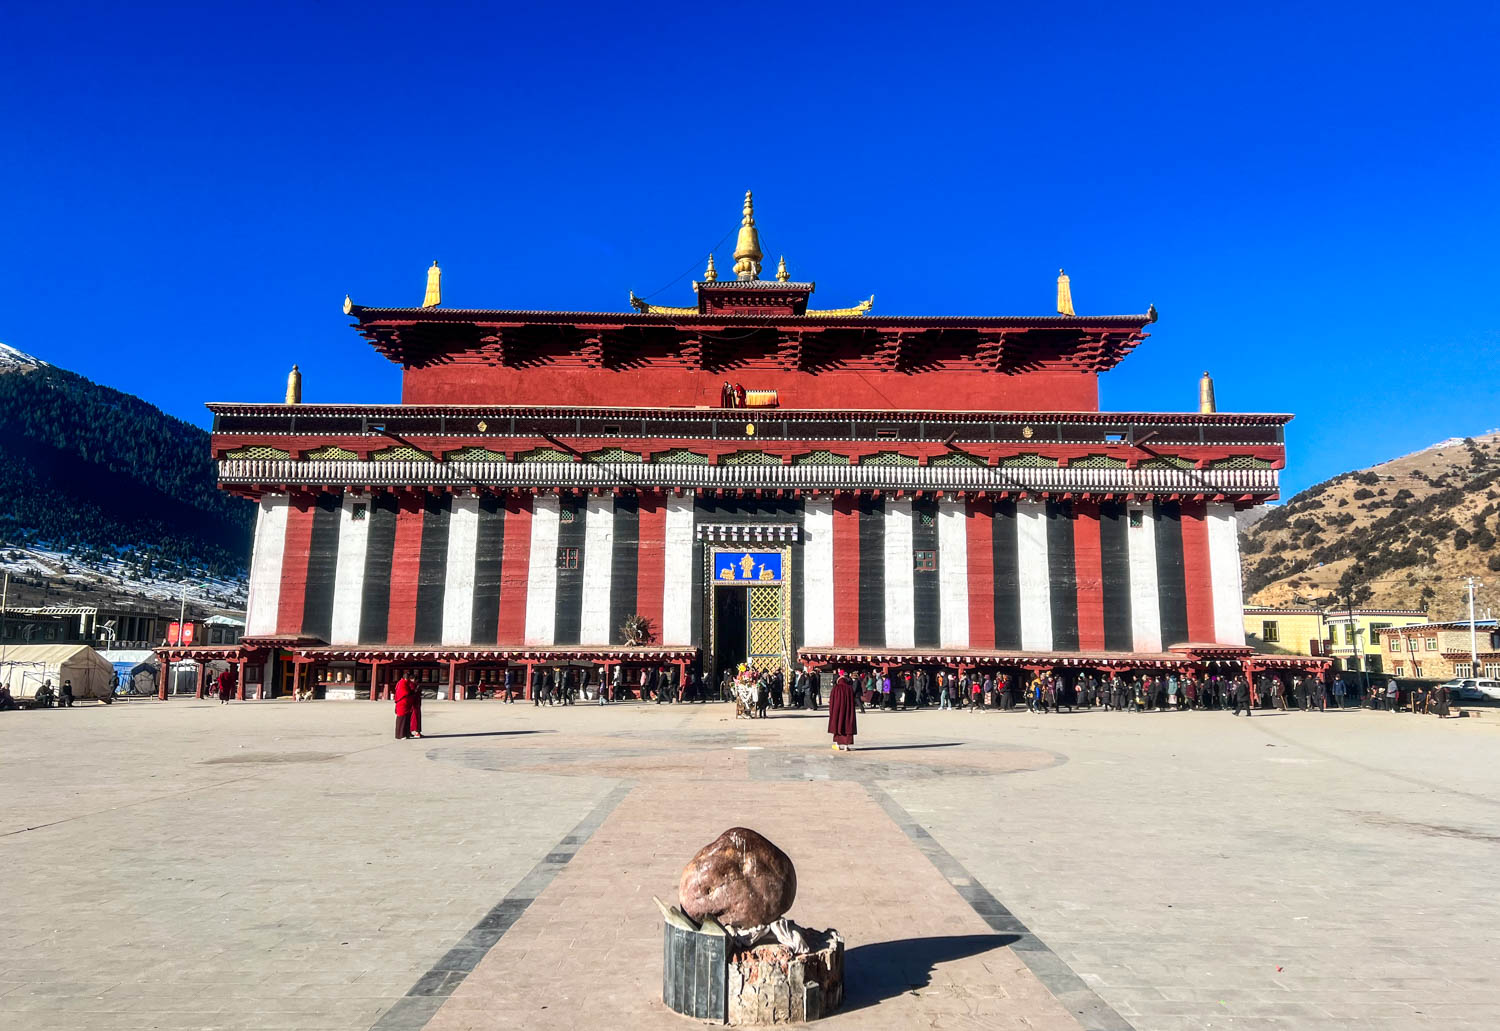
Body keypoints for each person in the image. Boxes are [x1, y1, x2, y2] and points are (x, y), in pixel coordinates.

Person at [827, 672, 858, 751]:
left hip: (837, 711)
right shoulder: (849, 688)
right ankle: (846, 746)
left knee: (837, 725)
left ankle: (837, 745)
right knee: (847, 726)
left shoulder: (836, 688)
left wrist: (831, 711)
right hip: (847, 711)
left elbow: (831, 701)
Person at [394, 674, 416, 739]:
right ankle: (400, 735)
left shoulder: (406, 682)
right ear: (407, 678)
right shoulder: (402, 683)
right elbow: (404, 692)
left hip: (406, 704)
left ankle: (406, 733)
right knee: (401, 719)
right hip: (402, 703)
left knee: (406, 719)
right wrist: (411, 692)